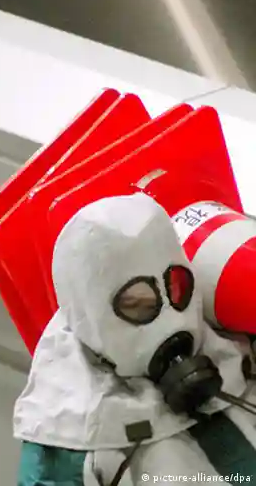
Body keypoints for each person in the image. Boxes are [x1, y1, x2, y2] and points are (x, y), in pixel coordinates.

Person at [13, 193, 256, 485]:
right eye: (138, 305)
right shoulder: (68, 446)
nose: (171, 319)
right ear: (92, 318)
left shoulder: (232, 329)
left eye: (174, 287)